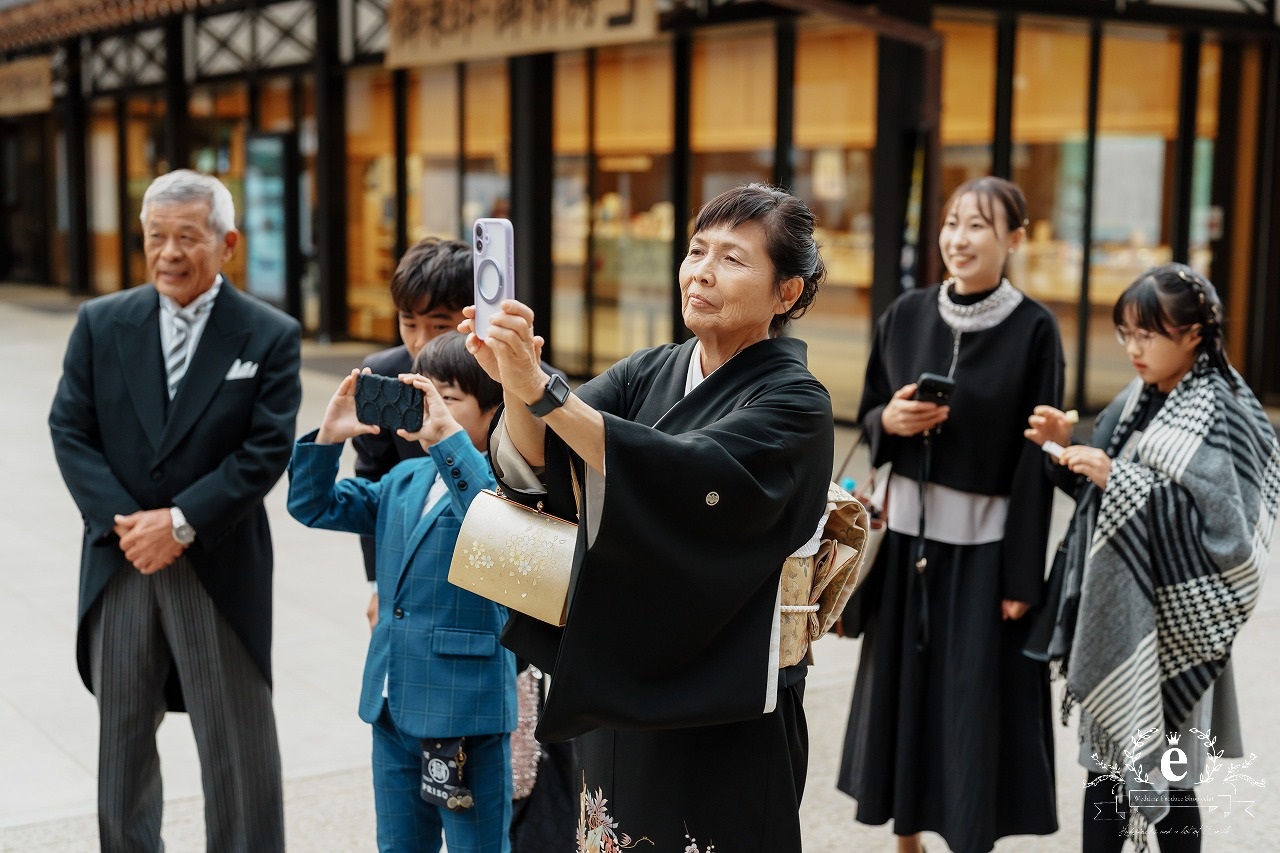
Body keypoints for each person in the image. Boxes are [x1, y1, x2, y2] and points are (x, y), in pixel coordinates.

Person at [462, 183, 833, 851]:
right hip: (623, 675)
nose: (703, 271)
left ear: (788, 292)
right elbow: (542, 460)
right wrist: (519, 389)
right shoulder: (649, 371)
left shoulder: (797, 402)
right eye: (697, 251)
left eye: (732, 258)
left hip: (727, 692)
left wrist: (544, 390)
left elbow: (689, 475)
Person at [48, 169, 301, 852]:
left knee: (238, 748)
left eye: (187, 237)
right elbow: (69, 427)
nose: (168, 253)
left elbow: (265, 449)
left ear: (228, 243)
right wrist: (127, 523)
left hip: (216, 559)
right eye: (156, 236)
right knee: (122, 745)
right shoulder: (101, 323)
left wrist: (180, 521)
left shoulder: (268, 334)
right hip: (121, 557)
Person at [836, 176, 1063, 853]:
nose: (958, 239)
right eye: (951, 223)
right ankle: (905, 837)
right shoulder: (905, 313)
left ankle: (969, 836)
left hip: (986, 549)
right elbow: (870, 412)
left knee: (973, 702)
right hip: (905, 541)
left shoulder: (1034, 329)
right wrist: (892, 419)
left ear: (1015, 240)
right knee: (901, 691)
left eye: (978, 226)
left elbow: (1037, 457)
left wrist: (1024, 577)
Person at [1025, 263, 1280, 852]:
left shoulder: (1224, 412)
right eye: (1126, 333)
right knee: (1105, 772)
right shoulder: (1141, 397)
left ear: (1192, 335)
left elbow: (1231, 541)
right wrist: (1065, 454)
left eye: (1148, 334)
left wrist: (1123, 480)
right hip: (1120, 610)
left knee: (1169, 781)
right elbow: (1103, 502)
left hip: (1180, 624)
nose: (1134, 348)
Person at [287, 332, 517, 853]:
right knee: (398, 846)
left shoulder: (506, 483)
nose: (429, 409)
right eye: (424, 393)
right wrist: (329, 436)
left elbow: (491, 523)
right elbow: (312, 506)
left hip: (463, 711)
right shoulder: (404, 479)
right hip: (391, 702)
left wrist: (447, 440)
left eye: (449, 399)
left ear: (492, 409)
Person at [354, 237, 472, 628]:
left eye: (439, 324)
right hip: (411, 572)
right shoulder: (383, 376)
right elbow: (372, 478)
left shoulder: (511, 381)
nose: (421, 341)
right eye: (409, 323)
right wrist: (377, 583)